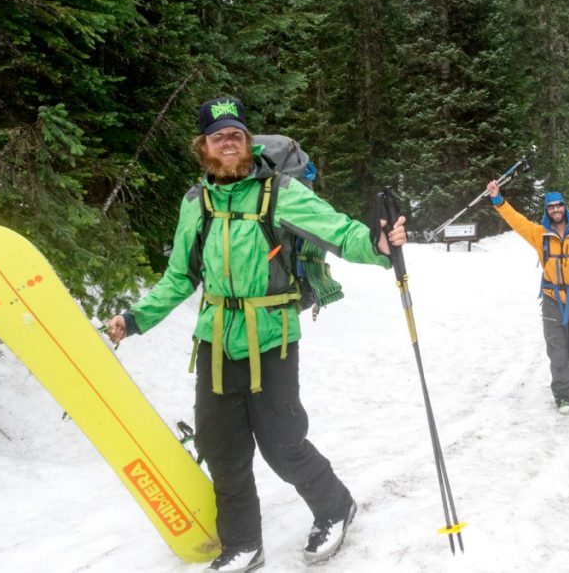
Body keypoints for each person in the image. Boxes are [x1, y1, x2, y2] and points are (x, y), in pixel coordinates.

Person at [105, 96, 406, 573]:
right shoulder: (194, 203)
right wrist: (135, 318)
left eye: (237, 133)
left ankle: (335, 507)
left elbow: (337, 230)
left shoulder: (280, 192)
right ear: (203, 146)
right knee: (223, 452)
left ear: (248, 143)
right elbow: (180, 277)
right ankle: (243, 544)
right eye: (218, 134)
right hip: (215, 343)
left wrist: (377, 243)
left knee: (283, 444)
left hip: (272, 337)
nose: (229, 141)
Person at [486, 180, 569, 416]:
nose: (555, 210)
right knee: (557, 351)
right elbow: (517, 221)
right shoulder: (540, 235)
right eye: (551, 207)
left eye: (558, 206)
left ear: (565, 207)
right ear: (547, 211)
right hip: (552, 300)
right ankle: (564, 395)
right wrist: (498, 200)